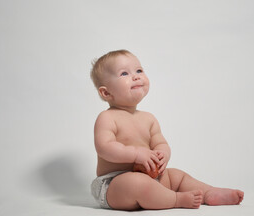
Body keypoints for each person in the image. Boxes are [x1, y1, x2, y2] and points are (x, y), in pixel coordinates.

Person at [90, 49, 244, 210]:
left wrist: (163, 154)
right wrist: (136, 154)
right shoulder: (107, 118)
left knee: (176, 175)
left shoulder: (149, 118)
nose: (135, 76)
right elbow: (104, 147)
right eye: (124, 74)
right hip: (115, 183)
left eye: (139, 70)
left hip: (150, 176)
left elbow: (161, 143)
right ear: (106, 92)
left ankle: (208, 193)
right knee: (136, 182)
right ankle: (176, 199)